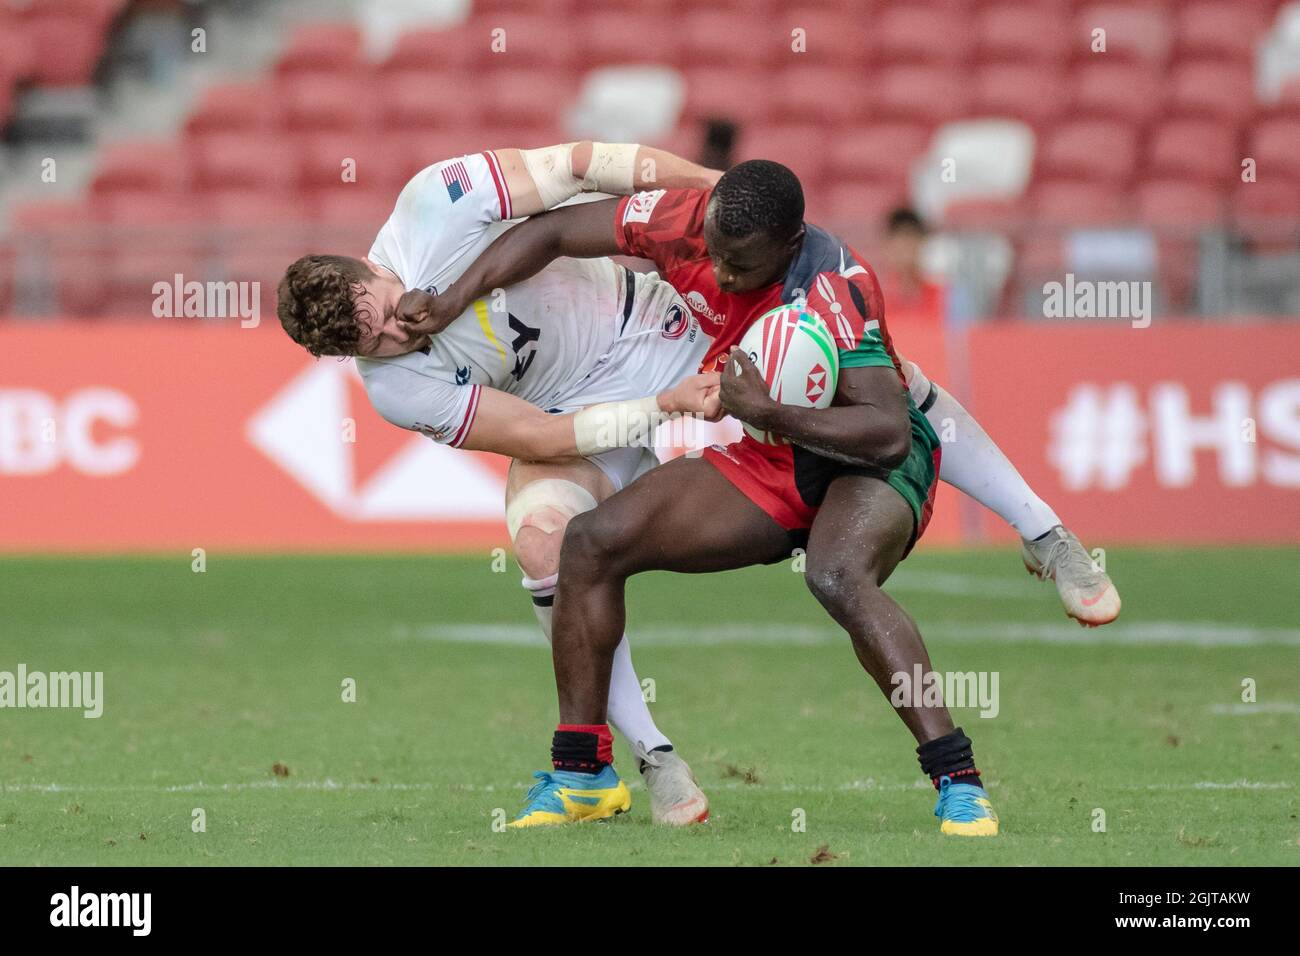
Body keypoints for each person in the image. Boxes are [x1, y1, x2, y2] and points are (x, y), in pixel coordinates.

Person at [411, 161, 1003, 834]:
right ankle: (581, 772)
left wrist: (773, 413)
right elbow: (550, 232)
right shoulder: (684, 226)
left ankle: (960, 781)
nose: (718, 275)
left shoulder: (836, 287)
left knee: (837, 575)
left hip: (867, 463)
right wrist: (454, 297)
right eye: (715, 253)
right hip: (773, 457)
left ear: (787, 244)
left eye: (739, 265)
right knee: (590, 542)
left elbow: (888, 431)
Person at [276, 142, 726, 825]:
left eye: (390, 311)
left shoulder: (434, 205)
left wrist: (715, 188)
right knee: (543, 543)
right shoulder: (396, 389)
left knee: (850, 413)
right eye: (377, 344)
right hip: (584, 413)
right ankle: (648, 757)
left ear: (375, 268)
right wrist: (660, 408)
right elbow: (541, 438)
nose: (400, 335)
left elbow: (580, 166)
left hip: (664, 324)